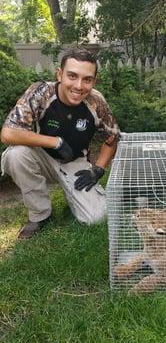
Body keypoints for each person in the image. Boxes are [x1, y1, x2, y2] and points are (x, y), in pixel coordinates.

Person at [0, 46, 120, 239]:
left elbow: (112, 138)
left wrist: (98, 168)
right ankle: (40, 215)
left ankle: (75, 196)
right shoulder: (41, 92)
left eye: (87, 79)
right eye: (72, 76)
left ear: (94, 81)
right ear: (59, 74)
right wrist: (55, 142)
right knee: (15, 155)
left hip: (75, 162)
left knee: (97, 217)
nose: (79, 86)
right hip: (41, 157)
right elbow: (8, 133)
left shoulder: (97, 101)